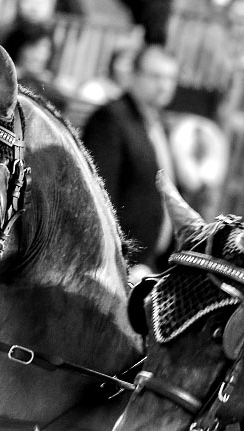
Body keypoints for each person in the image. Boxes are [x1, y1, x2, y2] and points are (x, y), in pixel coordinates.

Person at [81, 45, 180, 272]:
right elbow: (100, 197)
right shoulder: (110, 118)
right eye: (156, 76)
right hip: (116, 265)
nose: (164, 86)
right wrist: (118, 256)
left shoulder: (158, 124)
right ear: (134, 75)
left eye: (171, 78)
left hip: (149, 264)